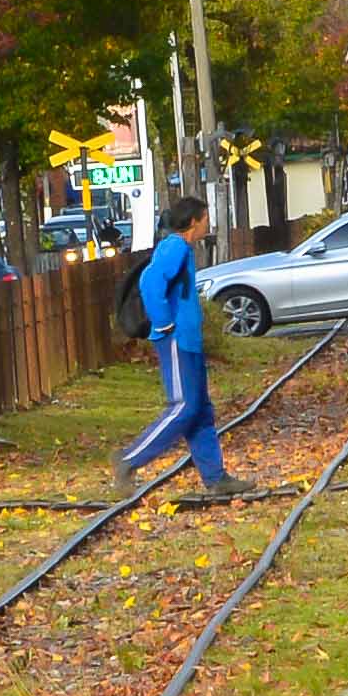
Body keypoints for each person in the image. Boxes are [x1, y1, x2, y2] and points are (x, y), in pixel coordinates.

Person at [120, 189, 240, 505]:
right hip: (176, 341)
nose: (207, 224)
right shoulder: (173, 247)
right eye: (205, 219)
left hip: (189, 340)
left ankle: (216, 478)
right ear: (193, 222)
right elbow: (150, 283)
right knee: (184, 407)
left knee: (200, 411)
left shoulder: (183, 249)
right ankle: (129, 460)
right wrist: (164, 323)